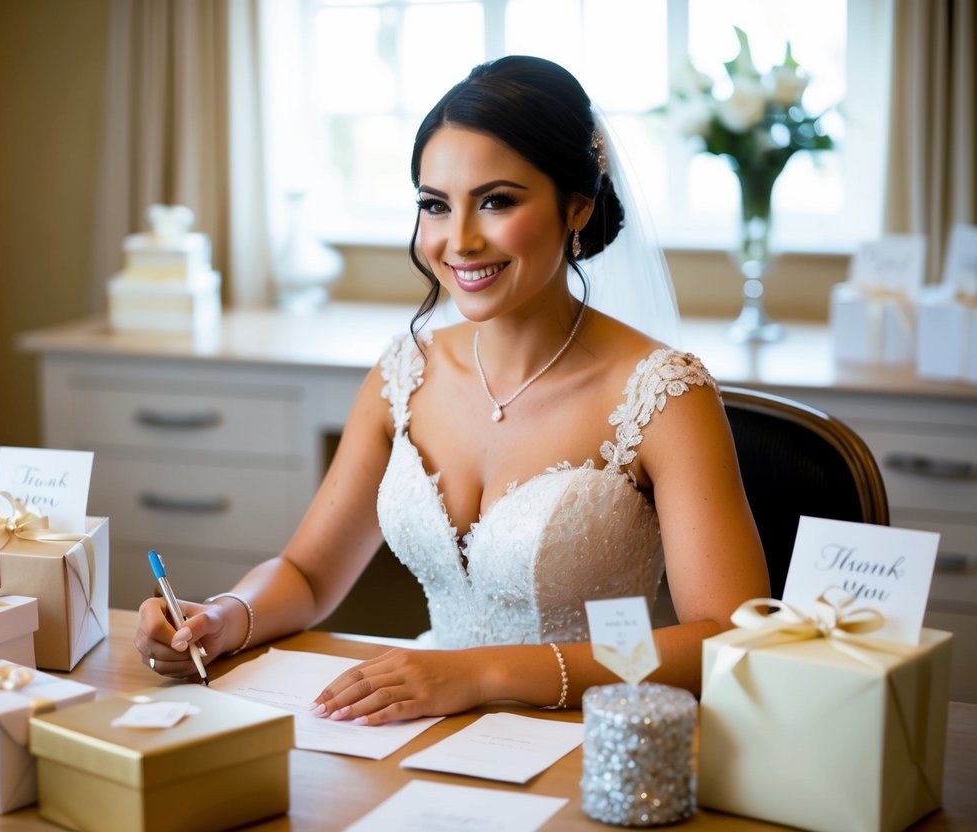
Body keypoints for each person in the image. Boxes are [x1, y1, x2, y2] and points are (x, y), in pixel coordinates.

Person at [135, 55, 769, 723]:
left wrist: (484, 672)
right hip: (427, 723)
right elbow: (308, 575)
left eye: (496, 201)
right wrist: (224, 617)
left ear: (576, 205)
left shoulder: (663, 394)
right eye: (435, 205)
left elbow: (723, 638)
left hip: (594, 733)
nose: (459, 241)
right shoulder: (402, 373)